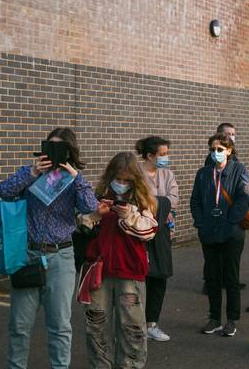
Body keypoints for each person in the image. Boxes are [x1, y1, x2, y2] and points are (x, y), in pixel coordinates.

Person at [0, 127, 99, 369]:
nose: (54, 152)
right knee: (19, 325)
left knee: (60, 326)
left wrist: (77, 178)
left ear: (70, 151)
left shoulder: (74, 181)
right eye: (50, 146)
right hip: (28, 255)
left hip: (61, 256)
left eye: (60, 147)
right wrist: (33, 172)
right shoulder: (31, 173)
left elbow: (90, 207)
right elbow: (4, 191)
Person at [81, 152, 159, 368]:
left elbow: (150, 231)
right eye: (118, 178)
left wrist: (128, 216)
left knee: (132, 328)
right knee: (96, 326)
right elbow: (80, 227)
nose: (121, 184)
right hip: (99, 272)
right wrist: (96, 215)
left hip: (130, 273)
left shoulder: (143, 200)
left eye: (127, 180)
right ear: (110, 176)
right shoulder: (98, 197)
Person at [191, 132, 249, 337]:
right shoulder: (203, 173)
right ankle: (214, 317)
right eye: (213, 149)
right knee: (213, 277)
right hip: (209, 231)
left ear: (229, 151)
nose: (216, 153)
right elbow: (195, 200)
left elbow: (244, 198)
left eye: (220, 149)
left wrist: (231, 220)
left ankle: (232, 319)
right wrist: (201, 223)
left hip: (231, 232)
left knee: (231, 276)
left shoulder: (239, 170)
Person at [135, 136, 179, 342]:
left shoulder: (168, 174)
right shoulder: (135, 174)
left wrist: (157, 205)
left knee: (159, 276)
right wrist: (161, 206)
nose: (166, 158)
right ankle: (135, 323)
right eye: (162, 154)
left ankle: (152, 322)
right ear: (150, 155)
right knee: (139, 277)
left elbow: (173, 198)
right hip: (139, 232)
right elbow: (137, 200)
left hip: (161, 232)